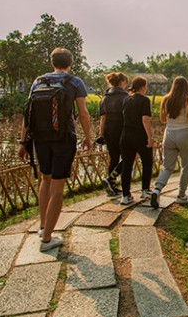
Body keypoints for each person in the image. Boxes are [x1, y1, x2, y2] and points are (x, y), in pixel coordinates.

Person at [18, 48, 91, 252]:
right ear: (70, 64)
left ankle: (43, 227)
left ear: (52, 63)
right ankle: (48, 239)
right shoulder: (74, 82)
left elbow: (28, 114)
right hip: (63, 138)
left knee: (45, 179)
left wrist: (23, 142)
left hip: (40, 138)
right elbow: (83, 114)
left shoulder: (38, 82)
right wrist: (88, 137)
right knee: (58, 187)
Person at [150, 77, 188, 208]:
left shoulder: (166, 99)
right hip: (184, 133)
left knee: (167, 166)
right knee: (186, 165)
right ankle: (182, 195)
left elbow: (163, 119)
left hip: (169, 133)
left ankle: (157, 189)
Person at [120, 76, 154, 205]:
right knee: (147, 162)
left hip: (126, 135)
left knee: (127, 165)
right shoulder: (144, 101)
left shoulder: (126, 99)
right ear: (143, 86)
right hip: (140, 135)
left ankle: (126, 195)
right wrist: (149, 137)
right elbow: (145, 119)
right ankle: (145, 189)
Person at [98, 72, 129, 196]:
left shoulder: (105, 98)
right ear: (122, 83)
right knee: (127, 157)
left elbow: (103, 118)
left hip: (108, 130)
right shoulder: (126, 97)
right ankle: (111, 179)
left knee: (114, 158)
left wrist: (101, 134)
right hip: (121, 129)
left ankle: (112, 186)